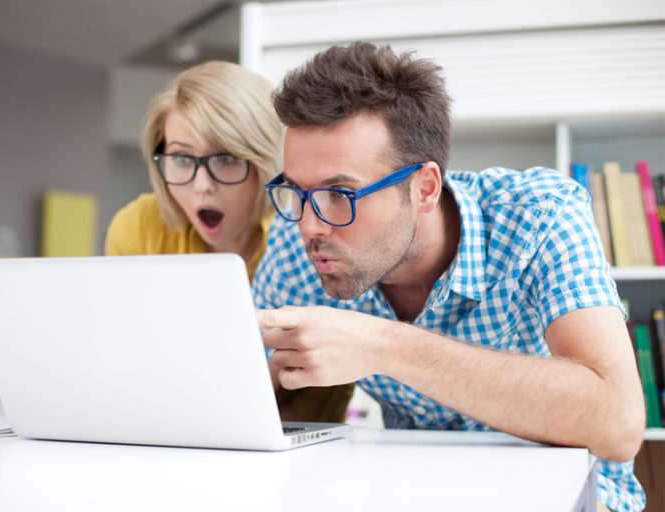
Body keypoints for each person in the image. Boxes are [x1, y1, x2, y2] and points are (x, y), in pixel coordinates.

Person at [253, 42, 646, 511]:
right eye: (297, 192)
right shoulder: (299, 242)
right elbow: (245, 385)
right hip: (413, 492)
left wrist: (385, 345)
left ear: (424, 187)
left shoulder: (539, 215)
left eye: (340, 193)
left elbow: (618, 423)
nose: (308, 224)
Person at [104, 61, 353, 423]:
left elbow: (313, 408)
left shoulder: (303, 246)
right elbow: (125, 364)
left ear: (264, 160)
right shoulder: (138, 228)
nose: (201, 185)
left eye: (224, 158)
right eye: (181, 158)